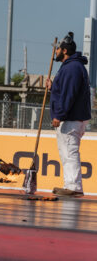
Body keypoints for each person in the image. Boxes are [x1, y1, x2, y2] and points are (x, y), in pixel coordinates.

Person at [46, 32, 91, 196]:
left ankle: (74, 187)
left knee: (69, 151)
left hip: (71, 118)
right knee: (66, 151)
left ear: (64, 50)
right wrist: (53, 87)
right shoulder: (71, 66)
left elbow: (69, 94)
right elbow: (64, 91)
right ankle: (70, 185)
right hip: (72, 117)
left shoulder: (72, 67)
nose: (55, 52)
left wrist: (59, 114)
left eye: (57, 49)